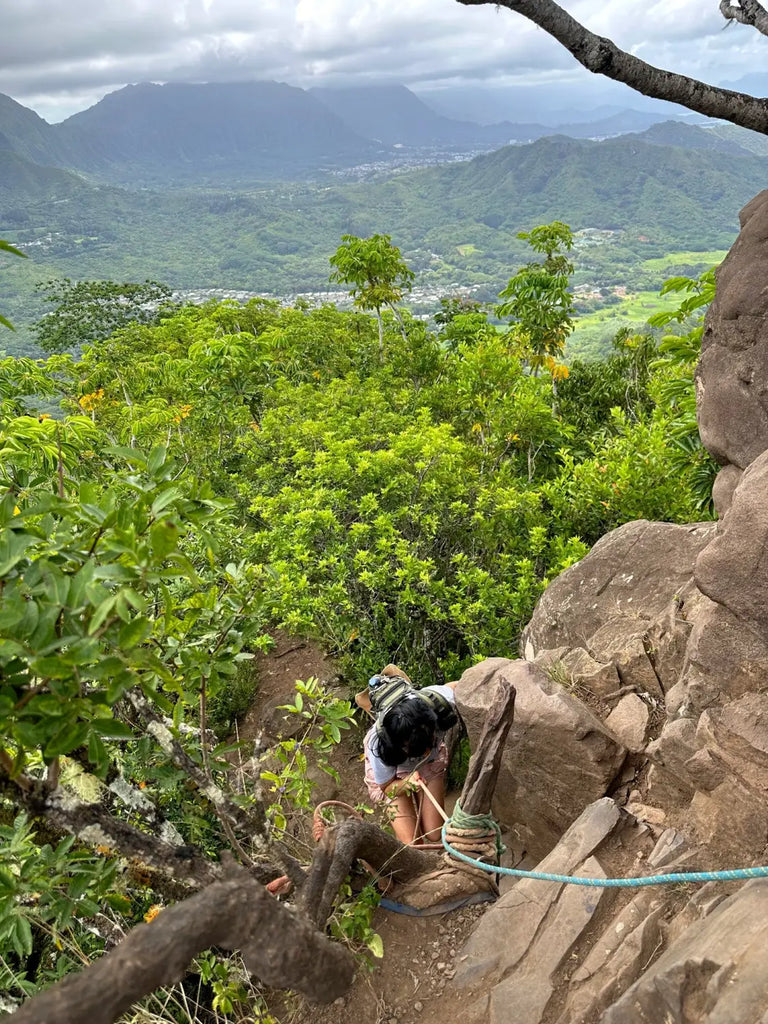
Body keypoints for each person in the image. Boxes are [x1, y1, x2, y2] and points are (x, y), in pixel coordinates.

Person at [357, 663, 458, 845]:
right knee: (413, 844)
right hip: (393, 777)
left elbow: (457, 687)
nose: (425, 750)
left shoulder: (433, 701)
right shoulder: (379, 746)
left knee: (436, 834)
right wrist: (406, 784)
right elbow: (387, 787)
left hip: (429, 764)